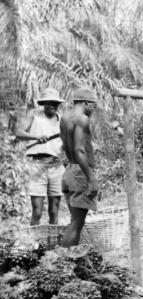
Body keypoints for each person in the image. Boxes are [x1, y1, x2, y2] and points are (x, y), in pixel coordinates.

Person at [16, 88, 65, 226]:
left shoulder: (62, 119)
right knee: (37, 211)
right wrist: (36, 137)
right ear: (43, 104)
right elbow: (19, 132)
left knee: (54, 210)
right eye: (49, 103)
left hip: (56, 167)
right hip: (38, 166)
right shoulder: (34, 114)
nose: (53, 106)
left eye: (55, 103)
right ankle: (34, 244)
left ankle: (53, 243)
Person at [59, 87, 99, 247]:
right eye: (93, 106)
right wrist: (91, 179)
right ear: (86, 102)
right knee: (76, 224)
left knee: (74, 223)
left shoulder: (64, 118)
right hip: (79, 173)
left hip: (69, 171)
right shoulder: (82, 119)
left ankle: (67, 263)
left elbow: (67, 147)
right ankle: (62, 264)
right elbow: (79, 149)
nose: (93, 110)